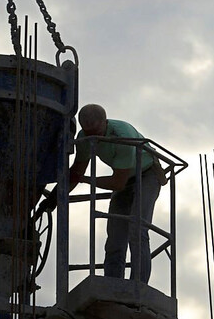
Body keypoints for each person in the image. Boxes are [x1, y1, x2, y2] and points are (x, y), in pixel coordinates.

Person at [67, 104, 164, 282]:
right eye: (88, 133)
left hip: (147, 175)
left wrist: (85, 180)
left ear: (105, 122)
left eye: (96, 131)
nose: (92, 137)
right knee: (115, 237)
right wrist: (54, 199)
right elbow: (77, 171)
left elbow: (117, 183)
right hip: (125, 178)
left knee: (137, 228)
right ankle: (112, 284)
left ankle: (138, 286)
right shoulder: (85, 138)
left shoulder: (121, 136)